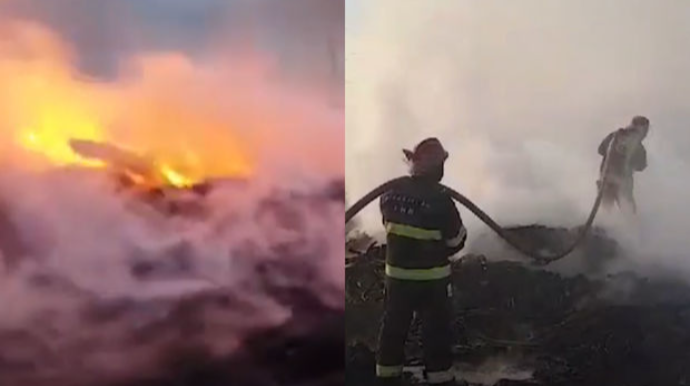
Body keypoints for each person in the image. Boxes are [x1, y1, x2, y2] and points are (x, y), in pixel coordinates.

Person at [376, 138, 467, 386]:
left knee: (393, 332)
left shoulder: (389, 195)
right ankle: (440, 380)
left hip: (397, 280)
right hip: (432, 284)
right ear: (436, 167)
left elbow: (388, 226)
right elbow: (456, 241)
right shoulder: (441, 201)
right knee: (436, 336)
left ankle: (387, 378)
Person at [597, 115, 649, 214]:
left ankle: (607, 226)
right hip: (622, 182)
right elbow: (641, 166)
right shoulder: (638, 146)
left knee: (606, 211)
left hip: (606, 178)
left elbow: (601, 150)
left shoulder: (614, 135)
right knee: (630, 214)